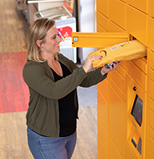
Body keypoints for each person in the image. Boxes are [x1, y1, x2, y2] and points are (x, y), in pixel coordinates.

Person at [23, 18, 120, 159]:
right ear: (40, 43)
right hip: (46, 138)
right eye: (54, 37)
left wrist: (103, 71)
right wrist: (84, 68)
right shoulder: (32, 69)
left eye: (58, 35)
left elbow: (84, 79)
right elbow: (54, 91)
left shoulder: (61, 59)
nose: (59, 39)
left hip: (69, 131)